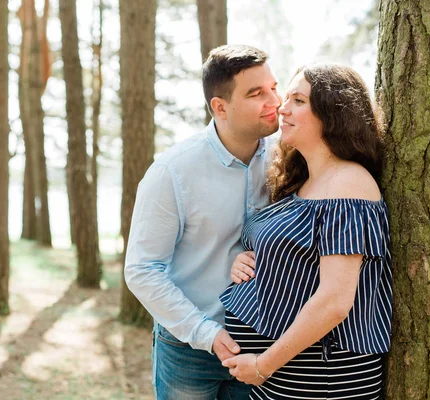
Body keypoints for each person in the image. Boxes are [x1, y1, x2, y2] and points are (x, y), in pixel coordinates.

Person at [220, 64, 392, 400]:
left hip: (320, 378)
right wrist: (248, 260)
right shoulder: (309, 181)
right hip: (289, 375)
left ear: (333, 114)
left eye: (298, 100)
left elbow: (334, 302)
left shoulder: (349, 185)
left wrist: (264, 364)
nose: (282, 108)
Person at [124, 44, 282, 400]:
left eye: (273, 87)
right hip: (188, 349)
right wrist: (204, 332)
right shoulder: (173, 172)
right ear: (220, 107)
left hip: (263, 347)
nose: (274, 100)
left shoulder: (287, 158)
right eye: (256, 93)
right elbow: (142, 269)